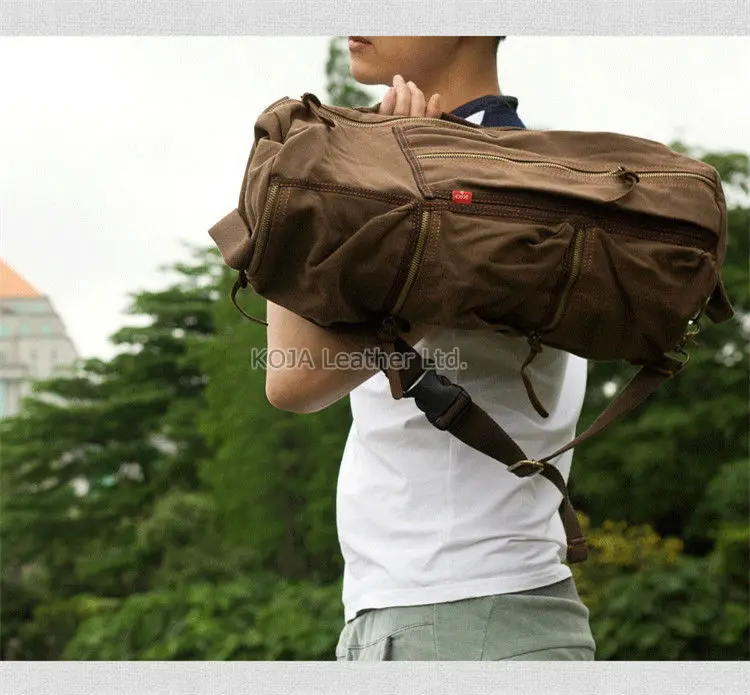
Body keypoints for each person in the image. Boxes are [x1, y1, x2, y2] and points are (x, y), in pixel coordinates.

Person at [265, 36, 597, 661]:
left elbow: (293, 377)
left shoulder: (480, 186)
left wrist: (319, 182)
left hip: (460, 615)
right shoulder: (518, 171)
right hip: (447, 612)